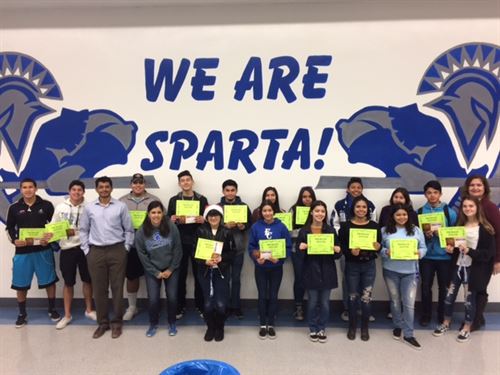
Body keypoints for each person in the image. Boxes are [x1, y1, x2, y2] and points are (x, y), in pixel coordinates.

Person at [432, 196, 495, 342]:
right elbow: (454, 248)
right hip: (457, 267)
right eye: (465, 206)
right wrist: (450, 249)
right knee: (449, 297)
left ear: (477, 208)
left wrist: (470, 251)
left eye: (471, 206)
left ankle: (467, 327)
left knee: (469, 300)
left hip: (474, 270)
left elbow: (488, 254)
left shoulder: (485, 229)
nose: (468, 209)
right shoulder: (458, 226)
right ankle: (446, 323)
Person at [79, 176, 134, 339]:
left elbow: (129, 230)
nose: (104, 189)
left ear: (111, 188)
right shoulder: (89, 208)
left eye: (106, 186)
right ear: (96, 189)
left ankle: (117, 323)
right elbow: (83, 230)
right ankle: (103, 323)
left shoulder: (121, 206)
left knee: (117, 288)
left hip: (117, 250)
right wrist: (86, 250)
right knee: (99, 289)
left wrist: (126, 248)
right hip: (95, 251)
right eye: (101, 187)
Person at [6, 178, 60, 328]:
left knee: (49, 281)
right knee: (20, 284)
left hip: (43, 251)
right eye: (24, 187)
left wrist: (49, 239)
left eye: (31, 187)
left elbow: (54, 227)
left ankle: (52, 309)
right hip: (22, 252)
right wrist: (14, 240)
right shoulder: (14, 207)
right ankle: (22, 314)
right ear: (21, 189)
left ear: (36, 189)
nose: (28, 190)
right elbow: (9, 229)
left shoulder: (47, 205)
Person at [50, 180, 96, 329]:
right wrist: (48, 235)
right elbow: (52, 227)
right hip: (67, 249)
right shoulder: (60, 208)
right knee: (68, 283)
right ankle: (67, 315)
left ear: (83, 192)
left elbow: (95, 227)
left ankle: (89, 310)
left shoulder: (90, 208)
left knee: (87, 280)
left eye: (79, 190)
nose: (76, 192)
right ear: (69, 191)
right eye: (74, 190)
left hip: (85, 249)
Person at [329, 177, 376, 322]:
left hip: (366, 249)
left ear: (362, 189)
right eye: (353, 187)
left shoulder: (370, 205)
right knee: (348, 280)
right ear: (347, 189)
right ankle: (348, 309)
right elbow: (334, 224)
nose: (356, 190)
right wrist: (346, 237)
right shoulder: (339, 205)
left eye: (358, 187)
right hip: (346, 249)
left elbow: (374, 224)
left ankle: (364, 308)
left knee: (366, 280)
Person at [381, 204, 427, 350]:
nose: (402, 217)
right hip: (390, 271)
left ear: (408, 216)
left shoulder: (416, 230)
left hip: (410, 272)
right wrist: (385, 252)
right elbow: (379, 248)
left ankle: (408, 334)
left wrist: (420, 254)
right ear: (393, 216)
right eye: (398, 215)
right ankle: (397, 325)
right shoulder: (384, 231)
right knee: (395, 302)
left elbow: (423, 247)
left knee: (408, 304)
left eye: (404, 214)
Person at [135, 200, 182, 338]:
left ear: (163, 213)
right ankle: (153, 323)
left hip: (171, 269)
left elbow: (178, 249)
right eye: (153, 212)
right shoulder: (141, 231)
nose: (156, 215)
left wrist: (171, 269)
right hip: (152, 270)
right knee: (153, 299)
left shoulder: (171, 227)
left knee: (172, 297)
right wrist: (155, 272)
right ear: (148, 214)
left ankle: (172, 322)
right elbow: (142, 254)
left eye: (159, 212)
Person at [297, 200, 341, 343]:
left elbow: (337, 254)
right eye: (317, 211)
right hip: (311, 271)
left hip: (327, 270)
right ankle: (312, 328)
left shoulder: (330, 230)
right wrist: (301, 248)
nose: (320, 214)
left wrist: (337, 250)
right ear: (311, 212)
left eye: (322, 211)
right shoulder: (304, 231)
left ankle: (322, 328)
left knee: (325, 303)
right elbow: (299, 254)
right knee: (312, 302)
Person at [119, 173, 161, 321]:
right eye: (135, 182)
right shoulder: (122, 201)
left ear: (145, 184)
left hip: (151, 245)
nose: (138, 185)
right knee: (131, 276)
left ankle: (155, 306)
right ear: (131, 184)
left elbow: (162, 222)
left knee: (154, 274)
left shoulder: (154, 200)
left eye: (141, 182)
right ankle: (132, 307)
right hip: (130, 245)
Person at [167, 170, 208, 319]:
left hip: (198, 242)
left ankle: (201, 306)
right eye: (182, 180)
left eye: (188, 180)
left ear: (192, 182)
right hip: (179, 242)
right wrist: (172, 219)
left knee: (200, 276)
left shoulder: (202, 199)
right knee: (180, 276)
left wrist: (203, 220)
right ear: (179, 184)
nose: (185, 182)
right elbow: (167, 220)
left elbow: (209, 220)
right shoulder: (173, 200)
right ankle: (180, 306)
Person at [339, 196, 381, 341]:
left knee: (366, 298)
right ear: (353, 208)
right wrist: (350, 251)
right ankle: (352, 326)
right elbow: (342, 246)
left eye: (364, 207)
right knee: (352, 297)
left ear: (367, 209)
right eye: (358, 207)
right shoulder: (345, 226)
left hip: (369, 266)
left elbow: (379, 245)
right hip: (352, 266)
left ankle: (364, 327)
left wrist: (378, 247)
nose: (361, 209)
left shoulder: (374, 226)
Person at [248, 200, 291, 339]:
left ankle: (271, 324)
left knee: (273, 294)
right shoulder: (255, 227)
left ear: (274, 212)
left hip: (276, 267)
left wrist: (280, 259)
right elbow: (251, 247)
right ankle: (262, 324)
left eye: (270, 210)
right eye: (265, 211)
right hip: (260, 267)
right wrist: (256, 257)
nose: (267, 213)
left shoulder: (281, 226)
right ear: (261, 212)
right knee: (261, 294)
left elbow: (287, 247)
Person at [462, 175, 500, 331]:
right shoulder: (466, 205)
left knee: (480, 288)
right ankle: (477, 317)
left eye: (479, 185)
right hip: (470, 256)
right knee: (474, 288)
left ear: (485, 188)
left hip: (485, 256)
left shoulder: (489, 207)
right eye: (472, 185)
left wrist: (497, 259)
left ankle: (476, 321)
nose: (475, 188)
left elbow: (499, 233)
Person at [418, 180, 457, 327]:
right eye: (429, 192)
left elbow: (455, 233)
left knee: (444, 287)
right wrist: (425, 234)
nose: (432, 195)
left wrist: (443, 234)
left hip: (445, 257)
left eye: (435, 192)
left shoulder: (449, 212)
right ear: (425, 194)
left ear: (440, 194)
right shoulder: (420, 212)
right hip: (427, 257)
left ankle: (442, 315)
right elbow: (415, 235)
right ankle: (426, 315)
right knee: (426, 287)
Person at [195, 204, 235, 342]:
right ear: (206, 217)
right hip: (205, 271)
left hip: (221, 271)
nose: (213, 217)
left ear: (220, 217)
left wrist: (222, 258)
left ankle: (220, 327)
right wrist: (204, 261)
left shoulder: (226, 232)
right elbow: (195, 252)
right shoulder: (200, 231)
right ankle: (210, 327)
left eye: (216, 215)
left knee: (220, 302)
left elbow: (232, 252)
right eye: (210, 215)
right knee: (207, 302)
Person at [378, 187, 418, 320]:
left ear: (406, 200)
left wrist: (416, 252)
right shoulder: (385, 211)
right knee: (393, 293)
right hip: (391, 258)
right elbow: (380, 233)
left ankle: (405, 319)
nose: (398, 199)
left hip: (408, 261)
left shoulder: (413, 215)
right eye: (396, 197)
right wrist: (385, 249)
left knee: (407, 296)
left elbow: (417, 238)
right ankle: (395, 313)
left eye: (401, 197)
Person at [218, 179, 252, 319]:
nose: (230, 193)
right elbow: (213, 225)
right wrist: (224, 225)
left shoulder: (244, 206)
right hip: (222, 250)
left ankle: (236, 307)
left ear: (236, 191)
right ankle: (225, 307)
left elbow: (250, 223)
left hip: (238, 249)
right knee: (224, 279)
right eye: (227, 190)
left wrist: (243, 226)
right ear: (223, 191)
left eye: (233, 190)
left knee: (236, 279)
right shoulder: (218, 207)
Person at [289, 186, 317, 321]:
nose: (307, 199)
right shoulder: (293, 210)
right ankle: (298, 306)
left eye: (309, 196)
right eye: (304, 196)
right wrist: (302, 232)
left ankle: (314, 307)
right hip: (297, 250)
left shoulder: (318, 209)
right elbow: (287, 231)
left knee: (315, 278)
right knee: (299, 278)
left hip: (315, 249)